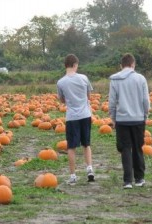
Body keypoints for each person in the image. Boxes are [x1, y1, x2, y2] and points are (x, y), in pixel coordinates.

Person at [108, 53, 150, 189]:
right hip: (138, 119)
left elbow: (112, 102)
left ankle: (127, 181)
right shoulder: (141, 79)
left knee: (125, 149)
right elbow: (145, 101)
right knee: (138, 148)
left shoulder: (115, 79)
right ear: (133, 64)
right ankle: (139, 179)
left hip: (122, 120)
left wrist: (113, 118)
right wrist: (145, 115)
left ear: (121, 65)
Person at [57, 54, 95, 185]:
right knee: (86, 144)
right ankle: (89, 169)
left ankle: (73, 176)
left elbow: (62, 100)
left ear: (65, 65)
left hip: (72, 117)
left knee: (71, 147)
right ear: (74, 65)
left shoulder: (61, 82)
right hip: (85, 115)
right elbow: (89, 96)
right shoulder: (84, 78)